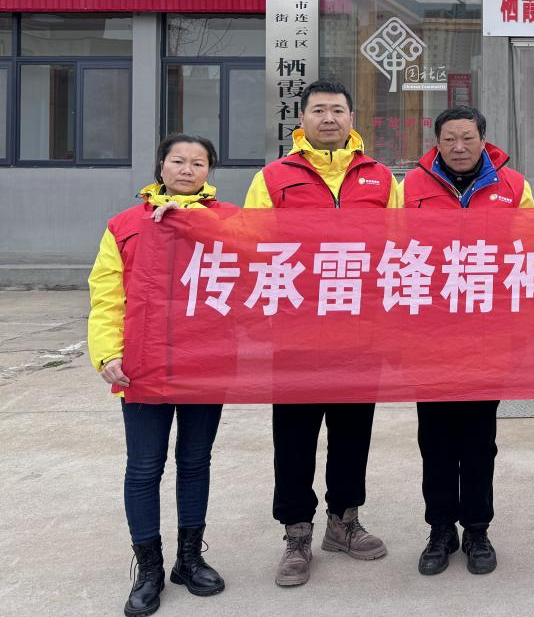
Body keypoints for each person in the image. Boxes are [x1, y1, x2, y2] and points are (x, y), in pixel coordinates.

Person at [244, 79, 403, 588]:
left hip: (360, 329)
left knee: (353, 431)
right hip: (296, 331)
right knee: (294, 435)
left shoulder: (380, 178)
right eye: (319, 110)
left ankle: (344, 521)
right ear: (303, 119)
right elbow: (249, 245)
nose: (328, 118)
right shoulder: (274, 178)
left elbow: (400, 246)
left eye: (337, 109)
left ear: (352, 118)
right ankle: (296, 532)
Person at [88, 133, 237, 617]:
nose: (187, 170)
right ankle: (149, 569)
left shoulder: (229, 221)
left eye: (198, 163)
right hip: (143, 367)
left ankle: (189, 559)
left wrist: (196, 223)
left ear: (209, 171)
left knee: (195, 462)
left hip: (204, 364)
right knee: (144, 467)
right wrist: (107, 353)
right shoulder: (124, 226)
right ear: (161, 166)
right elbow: (107, 296)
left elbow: (261, 268)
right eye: (178, 161)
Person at [403, 105, 534, 577]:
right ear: (436, 142)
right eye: (449, 139)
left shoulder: (513, 187)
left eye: (468, 138)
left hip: (487, 334)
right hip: (430, 334)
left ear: (484, 139)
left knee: (479, 440)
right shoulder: (411, 186)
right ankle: (440, 530)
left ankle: (477, 528)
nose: (459, 148)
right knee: (435, 440)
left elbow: (532, 251)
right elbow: (392, 249)